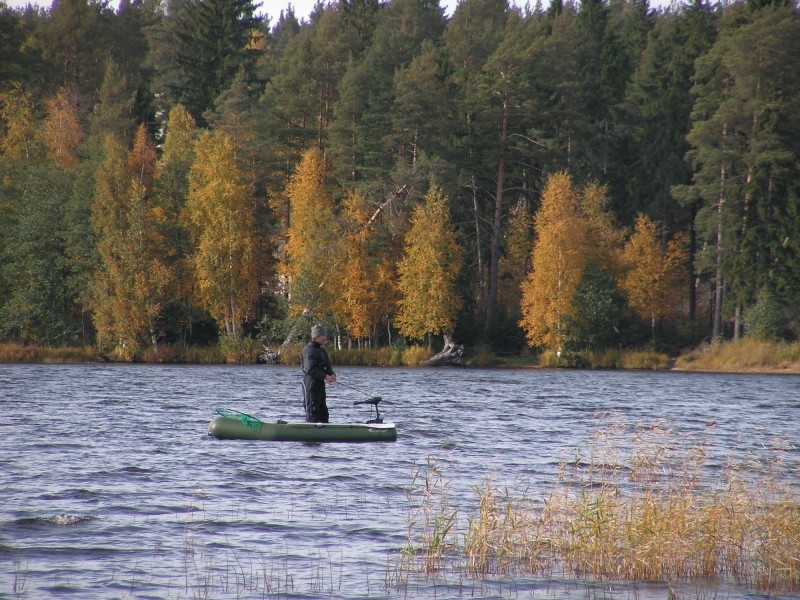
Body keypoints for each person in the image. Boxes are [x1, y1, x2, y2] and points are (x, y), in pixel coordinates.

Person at [301, 324, 336, 422]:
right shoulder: (309, 350)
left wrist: (331, 374)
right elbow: (309, 369)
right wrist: (325, 376)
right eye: (323, 335)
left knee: (323, 411)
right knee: (313, 411)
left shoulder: (322, 351)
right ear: (316, 337)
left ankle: (324, 431)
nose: (325, 338)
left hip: (320, 384)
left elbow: (327, 366)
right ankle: (310, 431)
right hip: (311, 385)